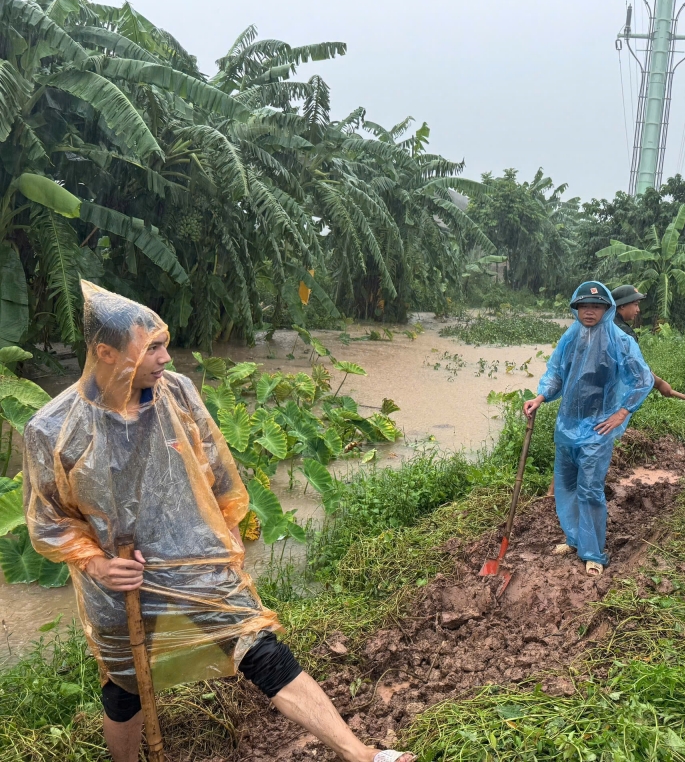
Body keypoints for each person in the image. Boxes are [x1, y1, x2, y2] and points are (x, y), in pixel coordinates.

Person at [22, 282, 414, 762]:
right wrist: (97, 565)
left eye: (165, 343)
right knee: (124, 693)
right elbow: (49, 521)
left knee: (264, 653)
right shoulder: (51, 427)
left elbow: (219, 473)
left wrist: (229, 533)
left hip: (198, 562)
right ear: (106, 352)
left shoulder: (178, 393)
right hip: (120, 583)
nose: (167, 356)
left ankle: (362, 755)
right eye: (154, 347)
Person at [523, 281, 653, 577]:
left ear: (607, 309)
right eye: (583, 306)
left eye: (595, 306)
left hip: (597, 428)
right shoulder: (570, 337)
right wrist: (540, 397)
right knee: (566, 486)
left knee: (590, 489)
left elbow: (641, 380)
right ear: (576, 309)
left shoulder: (620, 341)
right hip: (567, 426)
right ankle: (573, 539)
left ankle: (592, 552)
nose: (589, 311)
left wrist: (622, 413)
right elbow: (555, 373)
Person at [610, 284, 673, 397]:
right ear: (622, 306)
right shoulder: (623, 332)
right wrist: (659, 384)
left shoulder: (605, 324)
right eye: (635, 305)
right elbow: (636, 365)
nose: (638, 309)